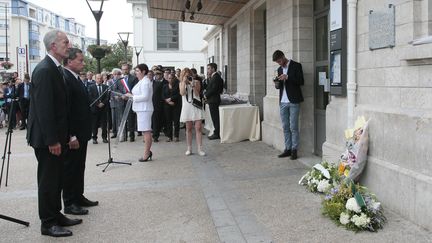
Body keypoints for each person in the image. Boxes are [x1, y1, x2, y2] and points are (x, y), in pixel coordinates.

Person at [27, 30, 80, 238]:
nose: (69, 45)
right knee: (49, 181)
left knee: (57, 179)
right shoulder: (44, 70)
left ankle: (56, 215)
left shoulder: (55, 68)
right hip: (47, 139)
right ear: (53, 47)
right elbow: (44, 109)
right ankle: (48, 223)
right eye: (65, 42)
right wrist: (52, 139)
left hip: (57, 137)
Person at [62, 48, 98, 216]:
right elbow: (66, 110)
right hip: (74, 134)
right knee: (71, 168)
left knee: (79, 166)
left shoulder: (75, 78)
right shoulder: (65, 78)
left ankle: (78, 195)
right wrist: (71, 134)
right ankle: (69, 202)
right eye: (80, 60)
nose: (83, 63)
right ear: (69, 61)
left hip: (82, 131)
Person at [272, 50, 304, 160]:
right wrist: (277, 83)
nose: (279, 63)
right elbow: (280, 87)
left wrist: (288, 77)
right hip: (283, 102)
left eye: (280, 61)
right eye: (277, 62)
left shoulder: (296, 65)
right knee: (285, 127)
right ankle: (288, 149)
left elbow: (301, 81)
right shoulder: (279, 69)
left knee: (293, 127)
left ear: (283, 56)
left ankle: (294, 150)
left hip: (294, 101)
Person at [125, 63, 153, 162]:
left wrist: (131, 97)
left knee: (146, 131)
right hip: (140, 109)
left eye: (137, 71)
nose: (135, 73)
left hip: (144, 109)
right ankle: (147, 152)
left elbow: (145, 96)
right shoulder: (141, 81)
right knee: (145, 131)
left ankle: (147, 153)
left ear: (143, 71)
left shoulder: (145, 82)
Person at [179, 68, 205, 156]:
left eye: (188, 75)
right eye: (185, 75)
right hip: (187, 107)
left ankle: (200, 149)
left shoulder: (197, 82)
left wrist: (192, 84)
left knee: (198, 128)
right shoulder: (181, 83)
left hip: (196, 106)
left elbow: (197, 94)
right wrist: (183, 82)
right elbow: (182, 93)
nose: (187, 77)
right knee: (189, 128)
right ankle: (189, 148)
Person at [204, 63, 224, 140]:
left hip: (214, 100)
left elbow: (214, 89)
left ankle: (217, 134)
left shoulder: (216, 77)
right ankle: (216, 132)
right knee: (215, 118)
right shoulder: (213, 77)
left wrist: (206, 95)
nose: (207, 70)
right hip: (213, 100)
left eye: (209, 68)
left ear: (213, 69)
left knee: (215, 118)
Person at [88, 74, 109, 144]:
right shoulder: (91, 87)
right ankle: (94, 138)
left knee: (104, 124)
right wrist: (97, 104)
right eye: (98, 78)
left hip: (103, 108)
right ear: (95, 79)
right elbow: (90, 97)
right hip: (95, 108)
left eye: (100, 78)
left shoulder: (106, 87)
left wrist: (103, 103)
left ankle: (104, 137)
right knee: (94, 124)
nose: (99, 80)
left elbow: (107, 97)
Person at [122, 63, 139, 142]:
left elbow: (136, 89)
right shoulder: (120, 78)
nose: (125, 71)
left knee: (131, 119)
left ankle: (131, 136)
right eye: (123, 69)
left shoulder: (134, 78)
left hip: (131, 100)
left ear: (128, 69)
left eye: (126, 69)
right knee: (122, 119)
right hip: (122, 101)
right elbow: (117, 88)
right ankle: (124, 136)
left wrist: (129, 95)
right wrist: (122, 95)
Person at [163, 73, 181, 142]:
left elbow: (178, 95)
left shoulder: (177, 86)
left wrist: (171, 98)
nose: (170, 79)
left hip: (176, 105)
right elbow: (163, 95)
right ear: (167, 79)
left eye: (171, 78)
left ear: (174, 79)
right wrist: (168, 101)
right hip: (167, 106)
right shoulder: (165, 86)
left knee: (176, 122)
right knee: (168, 121)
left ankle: (176, 136)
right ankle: (169, 136)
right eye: (169, 78)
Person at [151, 68, 166, 142]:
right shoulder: (152, 82)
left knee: (163, 119)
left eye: (159, 73)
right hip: (155, 104)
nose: (157, 75)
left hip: (164, 103)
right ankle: (155, 136)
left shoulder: (166, 82)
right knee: (155, 120)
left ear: (162, 74)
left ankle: (166, 132)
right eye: (156, 74)